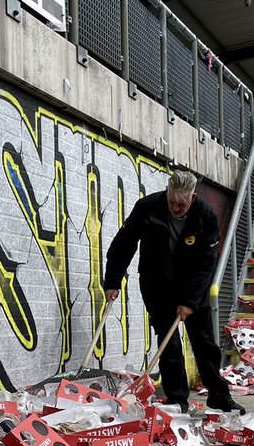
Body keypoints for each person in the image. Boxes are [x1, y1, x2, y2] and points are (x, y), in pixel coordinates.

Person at [102, 170, 245, 415]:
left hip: (193, 286)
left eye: (182, 203)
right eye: (172, 201)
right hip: (157, 285)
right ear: (167, 192)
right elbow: (123, 244)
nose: (176, 208)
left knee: (204, 342)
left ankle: (219, 396)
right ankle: (178, 400)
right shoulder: (148, 207)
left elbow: (206, 263)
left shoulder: (206, 216)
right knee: (169, 344)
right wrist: (112, 281)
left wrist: (190, 301)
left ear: (193, 197)